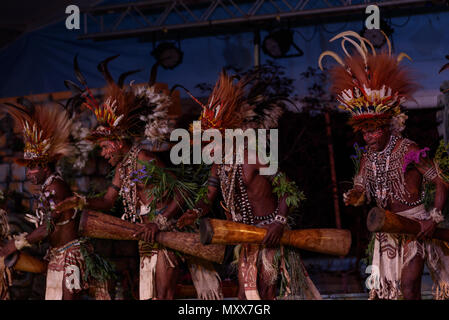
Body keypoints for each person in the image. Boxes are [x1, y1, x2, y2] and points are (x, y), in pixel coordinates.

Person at [58, 56, 222, 300]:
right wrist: (79, 201)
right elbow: (107, 201)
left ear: (118, 142)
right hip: (147, 238)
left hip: (165, 236)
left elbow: (182, 192)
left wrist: (161, 221)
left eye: (104, 147)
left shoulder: (144, 160)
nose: (103, 154)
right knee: (148, 295)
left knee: (163, 296)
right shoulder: (124, 168)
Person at [319, 30, 449, 299]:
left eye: (374, 131)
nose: (369, 137)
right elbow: (360, 187)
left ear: (388, 126)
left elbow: (440, 181)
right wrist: (354, 195)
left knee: (409, 285)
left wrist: (434, 218)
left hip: (415, 225)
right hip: (386, 228)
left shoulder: (409, 150)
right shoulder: (368, 156)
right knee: (388, 291)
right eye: (365, 133)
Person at [176, 71, 321, 300]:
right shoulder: (218, 166)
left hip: (268, 234)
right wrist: (194, 211)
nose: (207, 147)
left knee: (266, 293)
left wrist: (278, 223)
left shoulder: (252, 157)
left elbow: (288, 189)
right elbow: (208, 195)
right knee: (246, 296)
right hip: (244, 237)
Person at [0, 101, 110, 300]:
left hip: (69, 257)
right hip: (58, 255)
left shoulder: (55, 187)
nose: (28, 173)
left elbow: (48, 227)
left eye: (32, 167)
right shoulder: (47, 187)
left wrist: (16, 244)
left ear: (44, 165)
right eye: (27, 167)